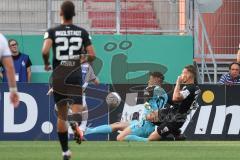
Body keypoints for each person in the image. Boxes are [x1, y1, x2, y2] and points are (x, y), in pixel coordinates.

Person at [41, 1, 96, 160]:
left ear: (60, 13)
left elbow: (45, 50)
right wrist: (79, 58)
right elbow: (92, 55)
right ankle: (74, 123)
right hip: (74, 75)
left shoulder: (52, 31)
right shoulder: (82, 32)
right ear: (74, 14)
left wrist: (46, 63)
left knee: (61, 116)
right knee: (77, 109)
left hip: (58, 75)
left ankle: (65, 151)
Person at [84, 72, 168, 142]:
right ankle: (88, 131)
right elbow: (151, 105)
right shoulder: (165, 94)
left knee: (120, 138)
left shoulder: (152, 89)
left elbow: (149, 101)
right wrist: (150, 108)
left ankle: (147, 140)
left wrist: (150, 109)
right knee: (117, 125)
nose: (148, 81)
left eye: (151, 79)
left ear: (157, 80)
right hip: (147, 123)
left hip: (145, 125)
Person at [145, 65, 201, 141]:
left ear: (189, 75)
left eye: (183, 73)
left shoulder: (191, 88)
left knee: (151, 139)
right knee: (149, 117)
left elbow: (175, 98)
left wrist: (178, 83)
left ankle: (172, 137)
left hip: (176, 119)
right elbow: (175, 100)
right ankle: (176, 133)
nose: (181, 75)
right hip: (172, 112)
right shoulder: (190, 87)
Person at [0, 33, 19, 107]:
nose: (14, 46)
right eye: (12, 45)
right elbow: (10, 67)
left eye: (15, 44)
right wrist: (13, 91)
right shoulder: (1, 39)